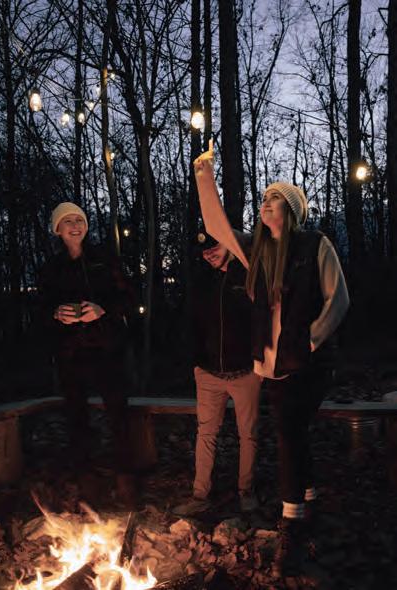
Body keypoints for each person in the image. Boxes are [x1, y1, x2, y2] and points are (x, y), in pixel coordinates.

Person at [194, 143, 350, 577]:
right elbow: (217, 226)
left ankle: (291, 524)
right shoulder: (257, 251)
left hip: (310, 362)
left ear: (291, 210)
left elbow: (339, 299)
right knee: (293, 432)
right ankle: (308, 496)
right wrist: (204, 175)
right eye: (263, 198)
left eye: (274, 198)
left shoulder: (315, 245)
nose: (265, 203)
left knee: (287, 432)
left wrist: (311, 341)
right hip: (274, 365)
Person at [38, 202, 135, 506]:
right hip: (70, 354)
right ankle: (87, 482)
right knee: (76, 417)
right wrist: (56, 313)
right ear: (58, 230)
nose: (75, 226)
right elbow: (39, 309)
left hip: (106, 350)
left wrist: (102, 309)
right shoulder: (51, 268)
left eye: (79, 220)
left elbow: (128, 298)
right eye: (68, 221)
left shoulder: (104, 260)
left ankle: (126, 479)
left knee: (118, 414)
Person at [174, 234, 261, 516]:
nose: (209, 253)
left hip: (245, 372)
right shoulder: (203, 281)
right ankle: (200, 495)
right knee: (206, 433)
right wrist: (196, 363)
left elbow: (263, 319)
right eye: (204, 250)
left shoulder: (248, 275)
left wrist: (260, 361)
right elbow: (191, 323)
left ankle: (246, 491)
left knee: (248, 434)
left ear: (229, 243)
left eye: (215, 246)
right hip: (209, 373)